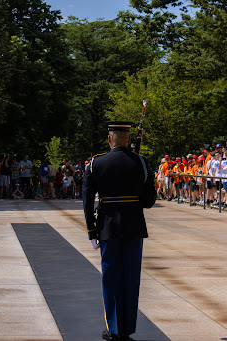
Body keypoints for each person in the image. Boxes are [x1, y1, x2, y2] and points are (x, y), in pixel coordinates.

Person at [83, 121, 156, 341]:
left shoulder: (96, 164)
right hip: (134, 226)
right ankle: (126, 330)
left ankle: (113, 328)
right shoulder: (141, 163)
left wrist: (91, 231)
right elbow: (149, 201)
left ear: (109, 139)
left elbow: (87, 202)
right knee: (131, 278)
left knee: (111, 277)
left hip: (107, 227)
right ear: (130, 140)